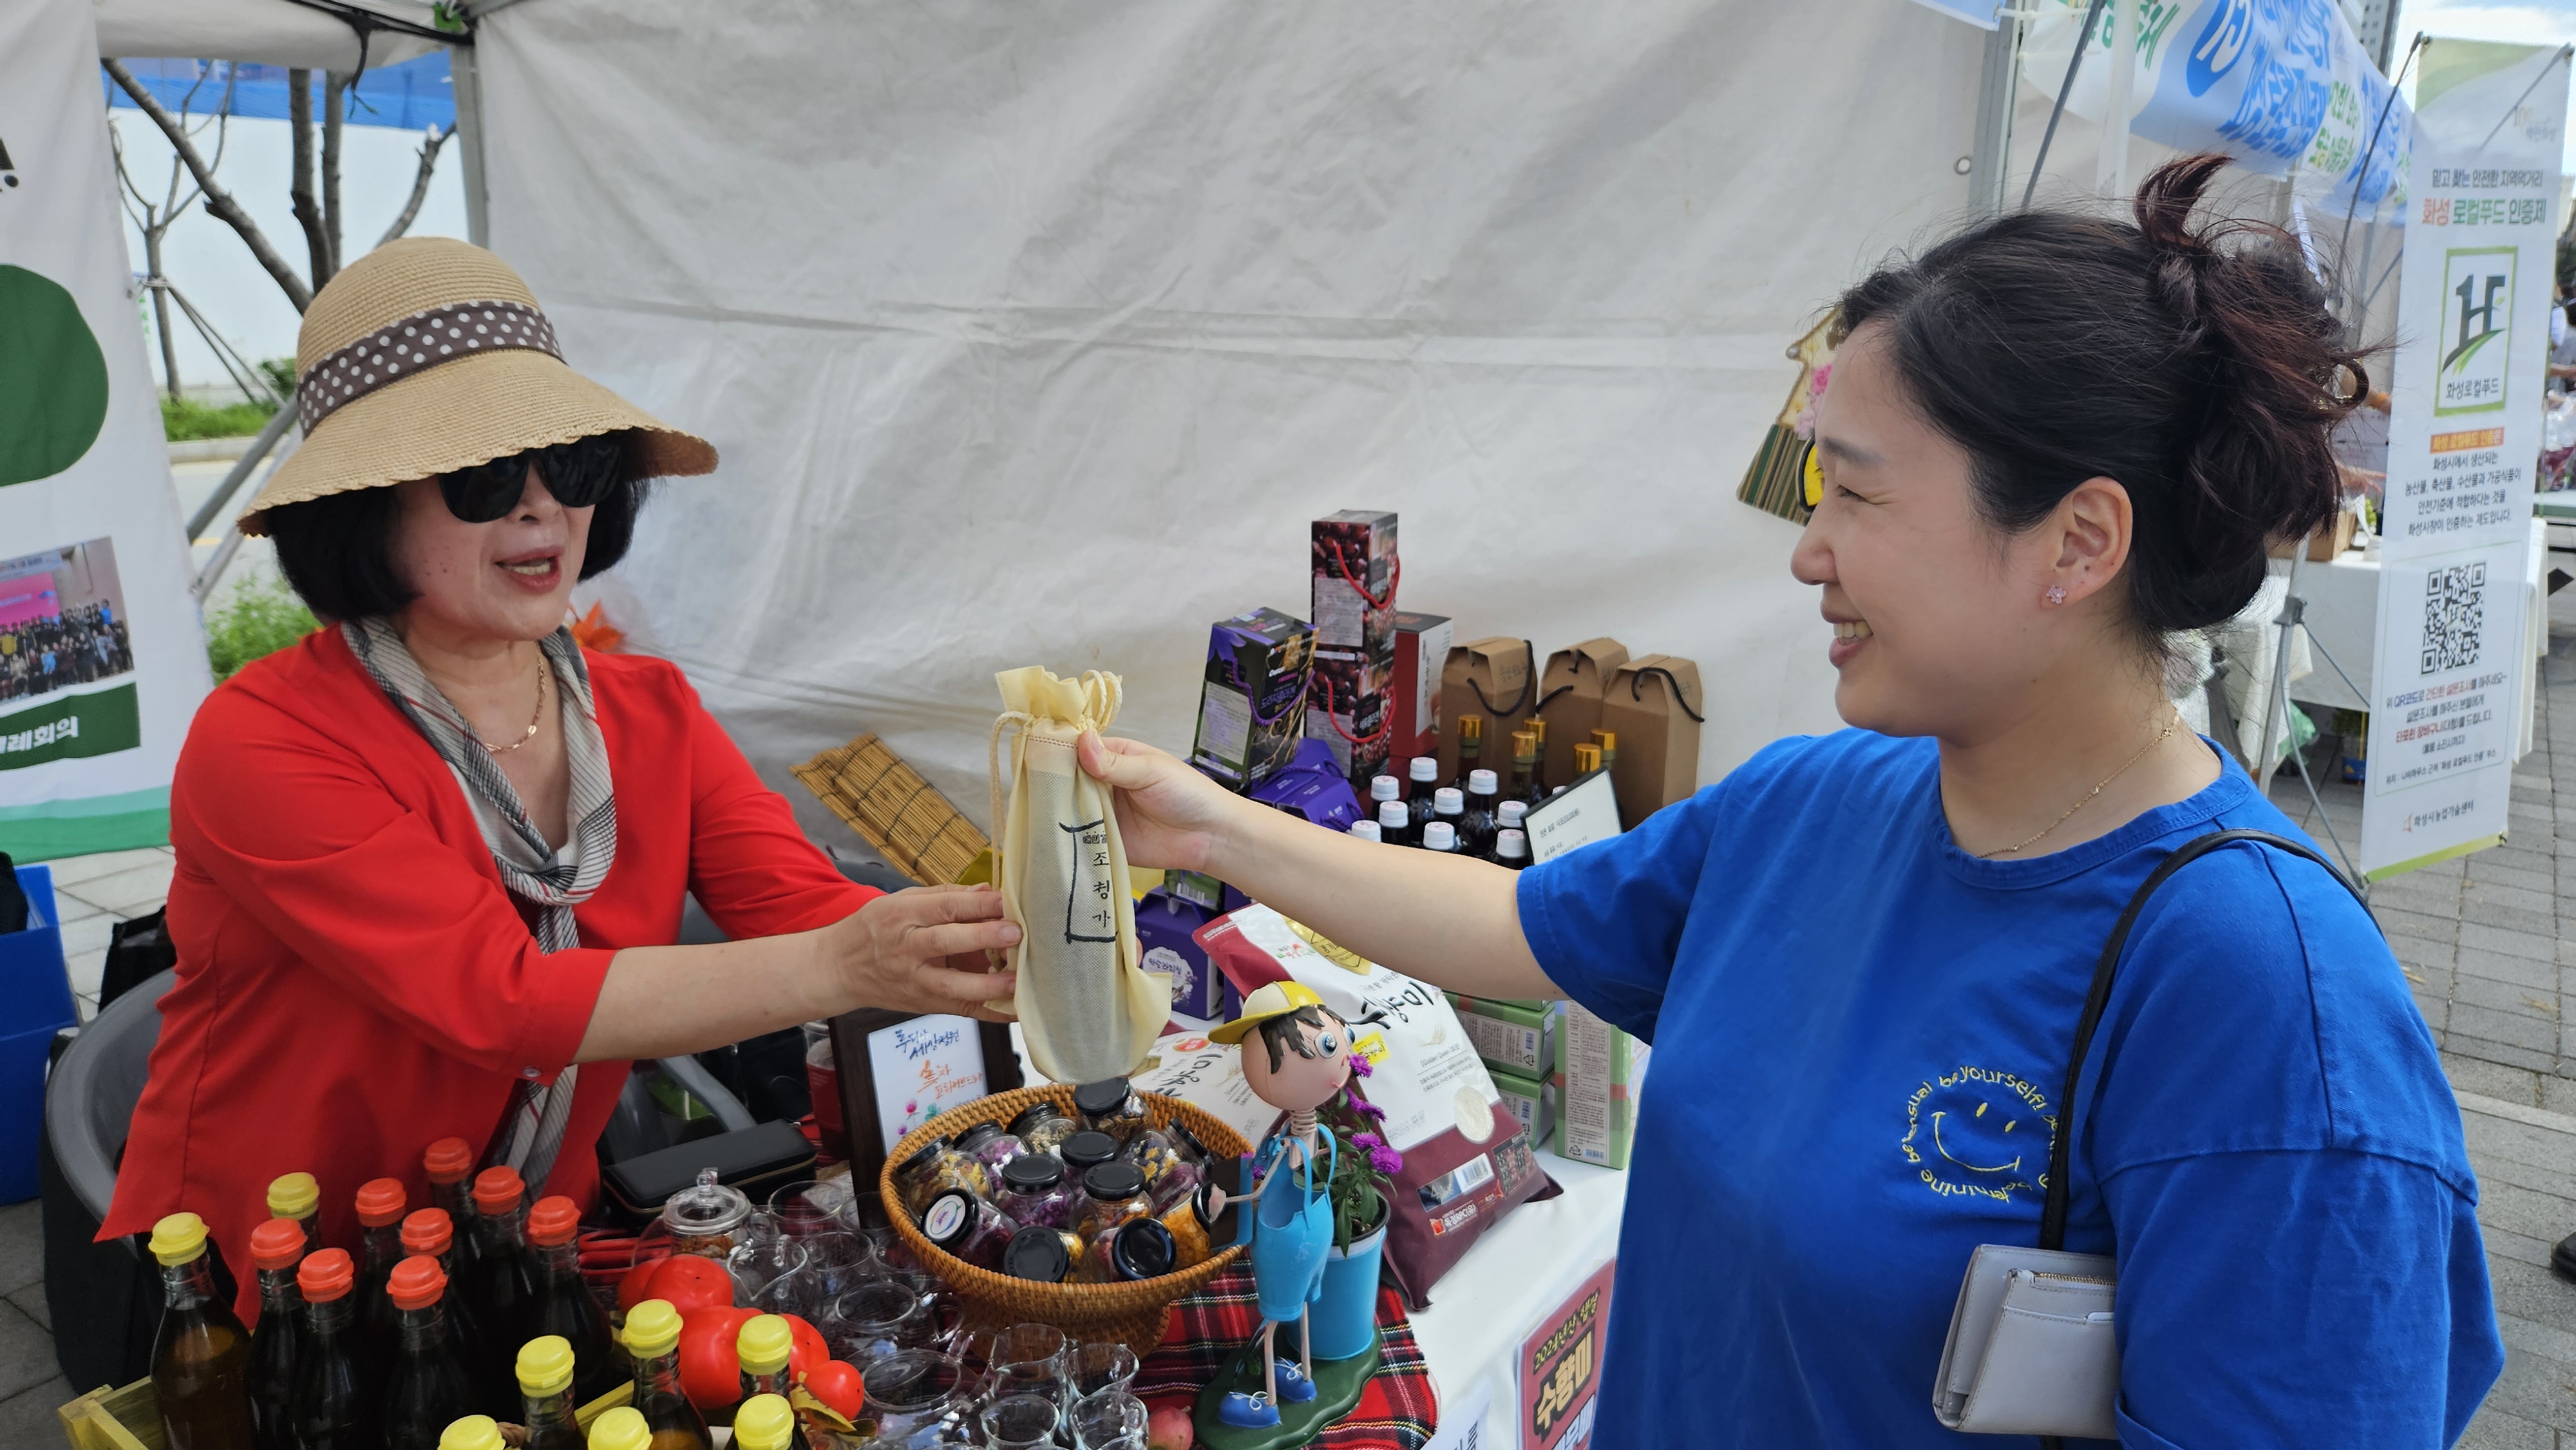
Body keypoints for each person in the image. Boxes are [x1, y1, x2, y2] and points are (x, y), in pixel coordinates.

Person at [1077, 155, 2503, 1447]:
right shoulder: (1816, 802)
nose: (1806, 555)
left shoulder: (2263, 1001)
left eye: (1857, 500)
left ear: (2075, 540)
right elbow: (1519, 922)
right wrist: (1208, 827)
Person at [100, 238, 1021, 1317]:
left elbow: (810, 908)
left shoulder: (649, 710)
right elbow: (506, 1000)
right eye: (487, 477)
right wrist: (851, 960)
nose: (544, 511)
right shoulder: (263, 742)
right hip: (280, 1271)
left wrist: (1021, 921)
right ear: (364, 507)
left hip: (525, 1234)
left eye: (574, 467)